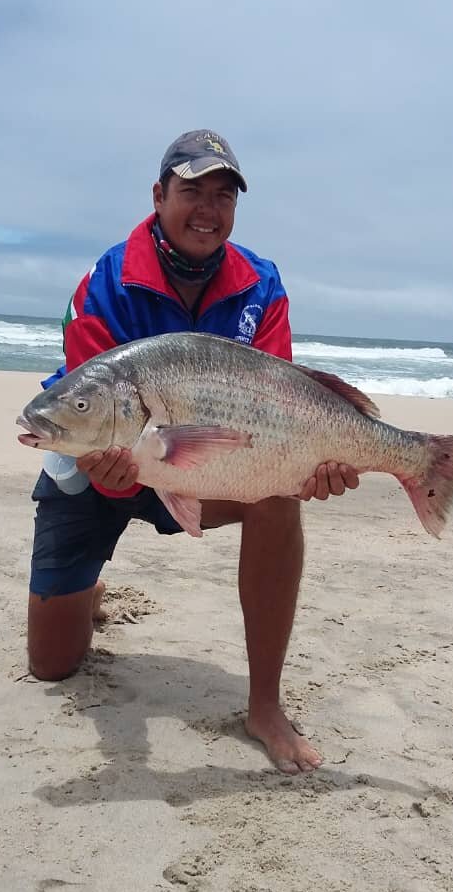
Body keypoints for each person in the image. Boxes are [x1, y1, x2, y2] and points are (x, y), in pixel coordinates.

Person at [28, 129, 359, 775]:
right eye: (191, 191)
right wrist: (118, 473)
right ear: (158, 195)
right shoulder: (104, 282)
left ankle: (264, 705)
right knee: (52, 667)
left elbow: (278, 405)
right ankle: (88, 583)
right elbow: (80, 408)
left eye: (222, 195)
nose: (207, 209)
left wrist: (304, 465)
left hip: (198, 466)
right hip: (96, 473)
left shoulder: (259, 283)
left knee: (276, 500)